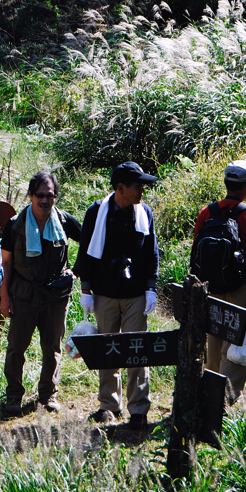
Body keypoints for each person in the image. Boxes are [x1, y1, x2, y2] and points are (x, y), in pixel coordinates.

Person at [74, 161, 160, 428]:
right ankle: (109, 405)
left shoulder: (143, 212)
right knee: (108, 352)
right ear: (121, 187)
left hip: (135, 294)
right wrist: (85, 289)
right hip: (104, 293)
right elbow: (86, 250)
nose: (142, 191)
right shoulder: (97, 212)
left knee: (137, 351)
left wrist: (151, 287)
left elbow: (151, 253)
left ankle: (138, 409)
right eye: (138, 186)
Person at [0, 171, 82, 417]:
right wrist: (4, 297)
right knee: (16, 348)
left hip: (55, 298)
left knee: (53, 348)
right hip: (23, 295)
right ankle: (14, 395)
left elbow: (90, 242)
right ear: (30, 195)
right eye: (40, 195)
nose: (45, 200)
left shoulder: (65, 222)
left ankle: (48, 395)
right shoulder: (15, 224)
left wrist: (75, 271)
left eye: (50, 195)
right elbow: (5, 263)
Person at [192, 160, 246, 403]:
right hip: (243, 286)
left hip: (210, 286)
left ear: (227, 183)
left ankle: (208, 394)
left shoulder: (206, 213)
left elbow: (197, 252)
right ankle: (225, 400)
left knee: (213, 341)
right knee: (237, 343)